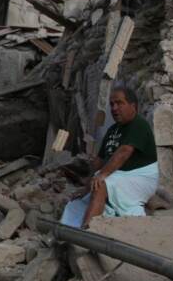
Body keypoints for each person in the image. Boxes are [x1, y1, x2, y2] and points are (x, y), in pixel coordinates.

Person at [60, 85, 159, 229]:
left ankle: (87, 231)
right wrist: (87, 185)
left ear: (133, 106)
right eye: (112, 104)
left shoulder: (138, 124)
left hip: (141, 178)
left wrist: (102, 175)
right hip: (120, 177)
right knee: (78, 201)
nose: (114, 108)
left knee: (101, 184)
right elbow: (100, 160)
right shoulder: (113, 130)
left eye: (119, 103)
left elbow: (124, 152)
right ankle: (68, 230)